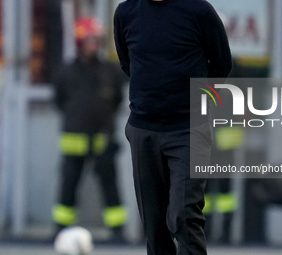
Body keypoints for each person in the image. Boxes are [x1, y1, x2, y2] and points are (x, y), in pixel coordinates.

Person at [114, 0, 232, 254]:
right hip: (143, 129)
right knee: (154, 226)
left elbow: (222, 63)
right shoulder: (126, 13)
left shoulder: (199, 11)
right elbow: (129, 64)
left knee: (183, 216)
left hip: (189, 128)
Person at [52, 17, 127, 240]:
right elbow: (59, 100)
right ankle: (61, 229)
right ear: (80, 43)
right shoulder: (66, 71)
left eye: (96, 41)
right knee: (68, 186)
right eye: (89, 41)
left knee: (110, 186)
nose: (93, 45)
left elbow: (117, 101)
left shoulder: (110, 71)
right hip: (74, 140)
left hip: (103, 139)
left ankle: (117, 232)